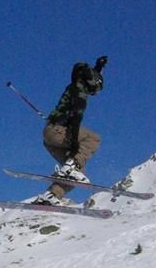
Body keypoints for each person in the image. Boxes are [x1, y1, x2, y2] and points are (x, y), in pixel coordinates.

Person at [35, 55, 108, 205]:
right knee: (94, 138)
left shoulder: (74, 86)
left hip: (50, 138)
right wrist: (74, 140)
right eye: (97, 88)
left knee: (78, 173)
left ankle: (51, 196)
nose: (95, 92)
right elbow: (76, 117)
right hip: (58, 131)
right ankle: (72, 166)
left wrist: (99, 67)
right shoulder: (80, 92)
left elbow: (87, 74)